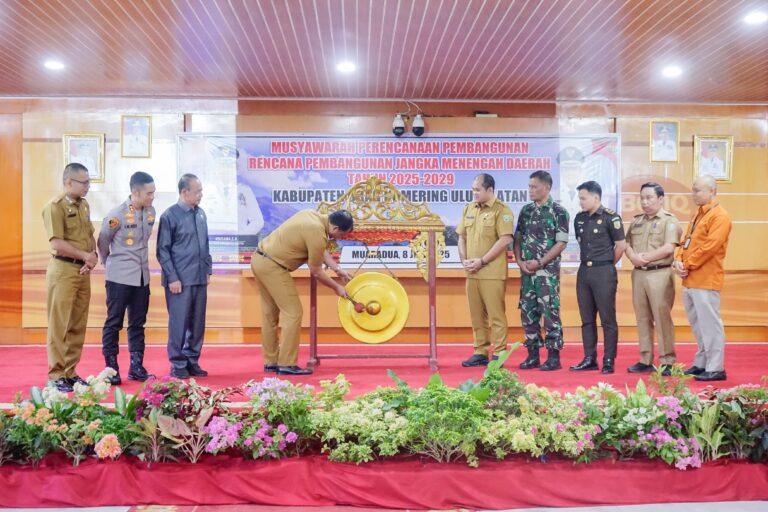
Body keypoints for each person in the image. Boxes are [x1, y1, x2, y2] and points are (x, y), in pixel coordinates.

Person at [250, 209, 354, 375]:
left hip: (259, 260)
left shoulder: (312, 215)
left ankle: (271, 362)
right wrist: (337, 287)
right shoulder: (317, 231)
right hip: (274, 267)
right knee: (293, 313)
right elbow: (316, 271)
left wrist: (337, 269)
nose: (340, 238)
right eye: (342, 235)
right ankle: (286, 364)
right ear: (335, 228)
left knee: (270, 314)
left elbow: (320, 249)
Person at [41, 163, 98, 392]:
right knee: (59, 325)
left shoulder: (84, 205)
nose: (87, 186)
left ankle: (70, 372)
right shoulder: (54, 206)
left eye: (88, 182)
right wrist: (84, 255)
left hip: (82, 271)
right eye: (84, 182)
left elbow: (89, 235)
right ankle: (56, 374)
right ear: (68, 182)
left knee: (77, 323)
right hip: (63, 271)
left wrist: (92, 257)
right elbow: (56, 243)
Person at [97, 172, 157, 385]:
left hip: (142, 278)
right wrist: (108, 262)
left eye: (153, 193)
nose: (152, 197)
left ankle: (136, 367)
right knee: (114, 322)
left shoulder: (150, 212)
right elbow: (103, 240)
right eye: (149, 193)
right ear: (135, 192)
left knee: (138, 323)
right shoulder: (117, 215)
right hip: (119, 277)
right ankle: (111, 369)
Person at [673, 175, 732, 381]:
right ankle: (702, 363)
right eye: (693, 189)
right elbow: (685, 242)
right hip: (690, 279)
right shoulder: (698, 214)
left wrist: (687, 264)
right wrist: (678, 260)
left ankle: (716, 367)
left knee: (710, 325)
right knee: (698, 325)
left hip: (706, 280)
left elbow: (710, 248)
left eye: (697, 190)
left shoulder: (720, 216)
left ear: (712, 191)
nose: (693, 194)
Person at [157, 174, 212, 379]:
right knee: (179, 323)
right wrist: (172, 277)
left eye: (201, 191)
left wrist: (207, 269)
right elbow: (162, 250)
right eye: (197, 191)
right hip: (179, 280)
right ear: (184, 192)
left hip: (199, 278)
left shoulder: (201, 214)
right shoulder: (169, 216)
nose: (201, 195)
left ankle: (192, 360)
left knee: (197, 323)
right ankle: (177, 363)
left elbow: (205, 244)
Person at [514, 171, 569, 371]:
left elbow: (561, 242)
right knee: (528, 312)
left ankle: (553, 357)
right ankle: (533, 355)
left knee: (550, 312)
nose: (531, 190)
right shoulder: (526, 211)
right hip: (527, 273)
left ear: (547, 187)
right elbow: (517, 238)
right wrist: (519, 261)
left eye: (534, 187)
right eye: (529, 186)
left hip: (547, 274)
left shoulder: (558, 211)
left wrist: (540, 262)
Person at [457, 173, 515, 367]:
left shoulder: (501, 210)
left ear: (490, 190)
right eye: (473, 189)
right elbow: (461, 237)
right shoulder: (469, 209)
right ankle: (480, 351)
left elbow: (505, 239)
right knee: (477, 316)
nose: (474, 193)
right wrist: (464, 261)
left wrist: (482, 261)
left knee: (496, 315)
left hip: (492, 272)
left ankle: (499, 354)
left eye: (478, 190)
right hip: (472, 272)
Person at [624, 182, 680, 375]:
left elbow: (669, 247)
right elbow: (626, 243)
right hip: (639, 274)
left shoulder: (669, 221)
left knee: (662, 318)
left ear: (660, 199)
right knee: (642, 318)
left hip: (660, 273)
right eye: (642, 198)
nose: (645, 202)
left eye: (649, 198)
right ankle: (645, 359)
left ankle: (667, 360)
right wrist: (633, 257)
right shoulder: (637, 221)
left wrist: (644, 258)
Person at [571, 181, 626, 374]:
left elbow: (621, 246)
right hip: (584, 272)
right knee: (586, 318)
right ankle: (589, 358)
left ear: (596, 197)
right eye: (580, 198)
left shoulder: (611, 217)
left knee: (607, 319)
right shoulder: (579, 218)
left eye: (583, 198)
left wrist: (608, 264)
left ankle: (609, 359)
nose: (581, 202)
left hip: (604, 272)